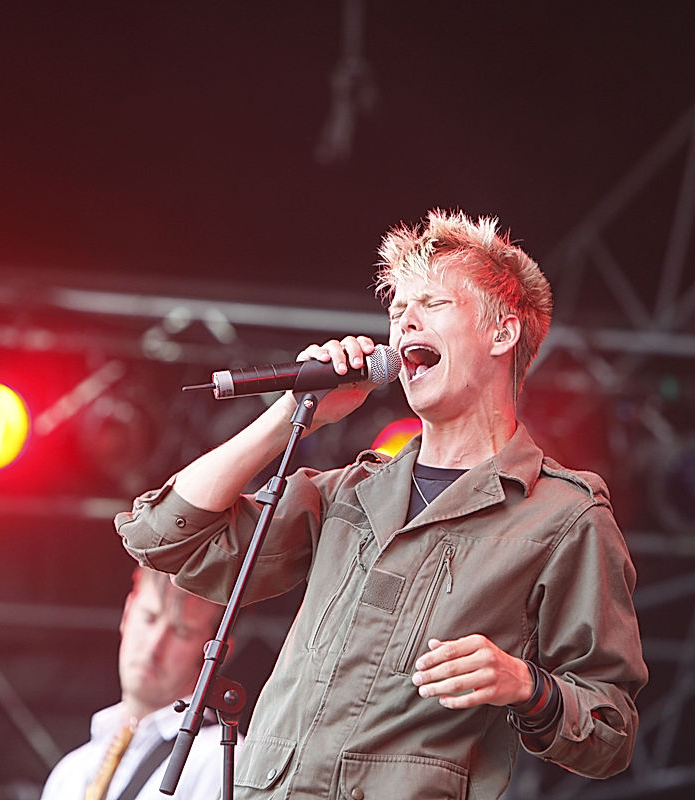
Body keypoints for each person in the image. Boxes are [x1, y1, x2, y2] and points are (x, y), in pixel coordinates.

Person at [114, 209, 648, 799]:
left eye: (433, 303)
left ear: (503, 333)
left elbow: (610, 731)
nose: (403, 322)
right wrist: (293, 414)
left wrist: (527, 685)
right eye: (397, 310)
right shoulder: (348, 492)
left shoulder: (564, 517)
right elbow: (162, 535)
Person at [40, 566, 229, 800]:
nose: (154, 646)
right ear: (127, 612)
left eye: (181, 632)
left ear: (218, 653)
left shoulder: (221, 760)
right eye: (149, 618)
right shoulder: (71, 771)